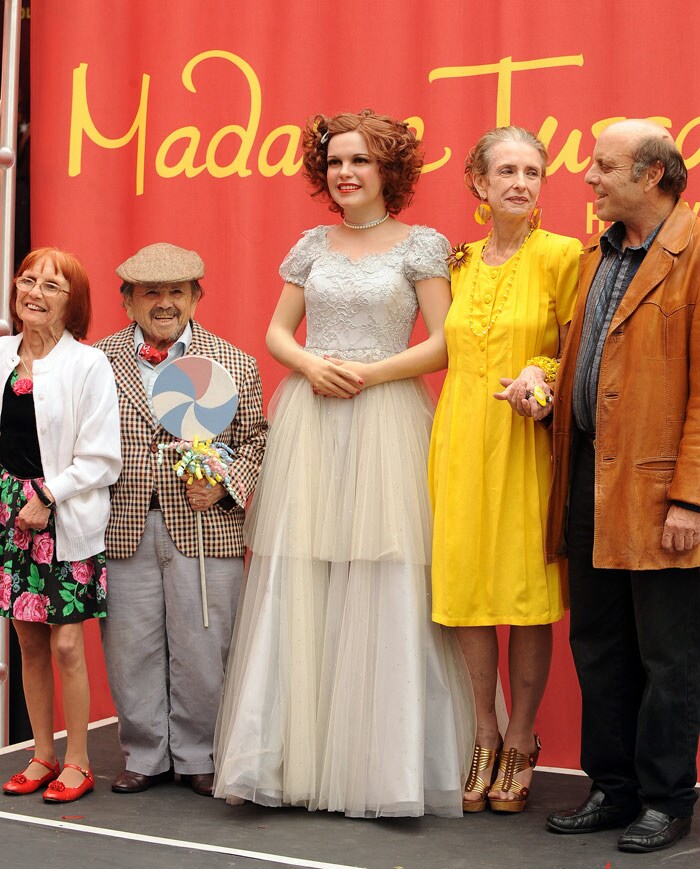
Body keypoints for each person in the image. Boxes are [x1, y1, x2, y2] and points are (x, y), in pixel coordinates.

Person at [213, 109, 475, 818]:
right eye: (334, 162)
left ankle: (383, 769)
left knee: (385, 577)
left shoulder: (423, 246)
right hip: (311, 418)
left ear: (389, 170)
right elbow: (275, 330)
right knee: (300, 575)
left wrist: (370, 374)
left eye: (359, 160)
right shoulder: (311, 245)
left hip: (387, 417)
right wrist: (307, 363)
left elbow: (446, 344)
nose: (345, 173)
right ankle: (288, 760)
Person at [545, 120, 700, 853]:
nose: (588, 177)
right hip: (587, 476)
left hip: (661, 490)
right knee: (599, 641)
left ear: (653, 175)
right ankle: (613, 788)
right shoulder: (597, 254)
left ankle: (668, 799)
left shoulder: (695, 249)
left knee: (668, 655)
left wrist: (691, 497)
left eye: (604, 166)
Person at [428, 127, 581, 813]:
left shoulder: (564, 256)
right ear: (479, 185)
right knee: (463, 590)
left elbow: (577, 351)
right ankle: (482, 732)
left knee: (525, 596)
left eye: (533, 171)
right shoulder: (454, 263)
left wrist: (538, 375)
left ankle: (521, 737)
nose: (521, 182)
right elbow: (442, 347)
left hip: (526, 444)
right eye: (506, 171)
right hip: (460, 435)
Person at [96, 243, 267, 797]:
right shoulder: (98, 361)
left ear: (196, 297)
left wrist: (223, 483)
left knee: (204, 643)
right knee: (130, 644)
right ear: (128, 302)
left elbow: (257, 442)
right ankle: (144, 753)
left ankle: (200, 754)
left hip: (204, 526)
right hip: (121, 522)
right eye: (151, 293)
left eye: (176, 292)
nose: (164, 304)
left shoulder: (233, 361)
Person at [1, 248, 121, 803]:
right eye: (29, 280)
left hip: (61, 515)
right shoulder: (2, 355)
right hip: (9, 515)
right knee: (27, 642)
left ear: (73, 305)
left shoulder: (88, 364)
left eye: (53, 286)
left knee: (68, 645)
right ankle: (42, 755)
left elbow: (100, 459)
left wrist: (47, 496)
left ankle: (77, 761)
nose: (36, 293)